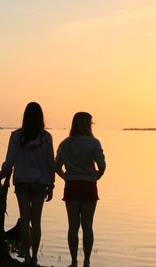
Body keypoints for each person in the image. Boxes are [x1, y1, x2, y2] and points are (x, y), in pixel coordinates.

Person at [0, 102, 55, 266]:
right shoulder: (46, 137)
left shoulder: (16, 135)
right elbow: (50, 163)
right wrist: (51, 184)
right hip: (40, 183)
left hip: (21, 181)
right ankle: (35, 258)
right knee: (36, 221)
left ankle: (27, 258)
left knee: (24, 219)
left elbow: (9, 162)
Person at [55, 112, 106, 267]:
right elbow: (102, 165)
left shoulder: (65, 143)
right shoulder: (94, 143)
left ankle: (73, 262)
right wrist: (97, 175)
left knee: (73, 226)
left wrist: (66, 177)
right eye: (91, 123)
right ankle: (87, 262)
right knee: (87, 226)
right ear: (87, 125)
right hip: (88, 186)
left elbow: (56, 167)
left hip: (71, 186)